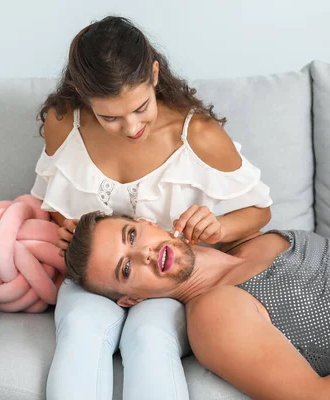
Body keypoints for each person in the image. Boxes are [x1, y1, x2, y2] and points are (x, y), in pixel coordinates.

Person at [32, 15, 272, 400]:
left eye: (141, 107)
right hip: (98, 280)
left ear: (155, 74)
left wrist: (220, 229)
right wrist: (67, 227)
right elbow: (56, 200)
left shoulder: (199, 135)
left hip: (171, 284)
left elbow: (261, 211)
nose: (131, 127)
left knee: (148, 337)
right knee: (80, 329)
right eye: (109, 116)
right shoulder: (63, 123)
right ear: (82, 95)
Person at [64, 211, 330, 400]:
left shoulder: (249, 241)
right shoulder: (215, 313)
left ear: (145, 223)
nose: (144, 253)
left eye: (132, 236)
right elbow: (319, 398)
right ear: (133, 299)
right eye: (125, 268)